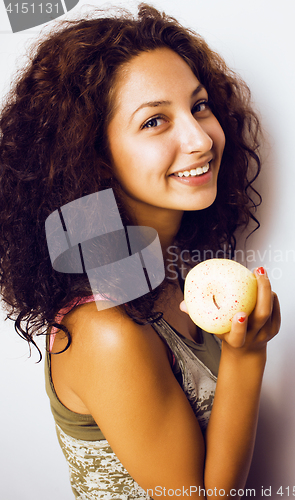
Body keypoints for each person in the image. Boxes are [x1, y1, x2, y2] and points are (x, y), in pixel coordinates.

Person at [0, 4, 280, 499]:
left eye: (198, 106)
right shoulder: (104, 330)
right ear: (95, 155)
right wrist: (248, 354)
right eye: (155, 121)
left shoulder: (163, 273)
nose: (199, 139)